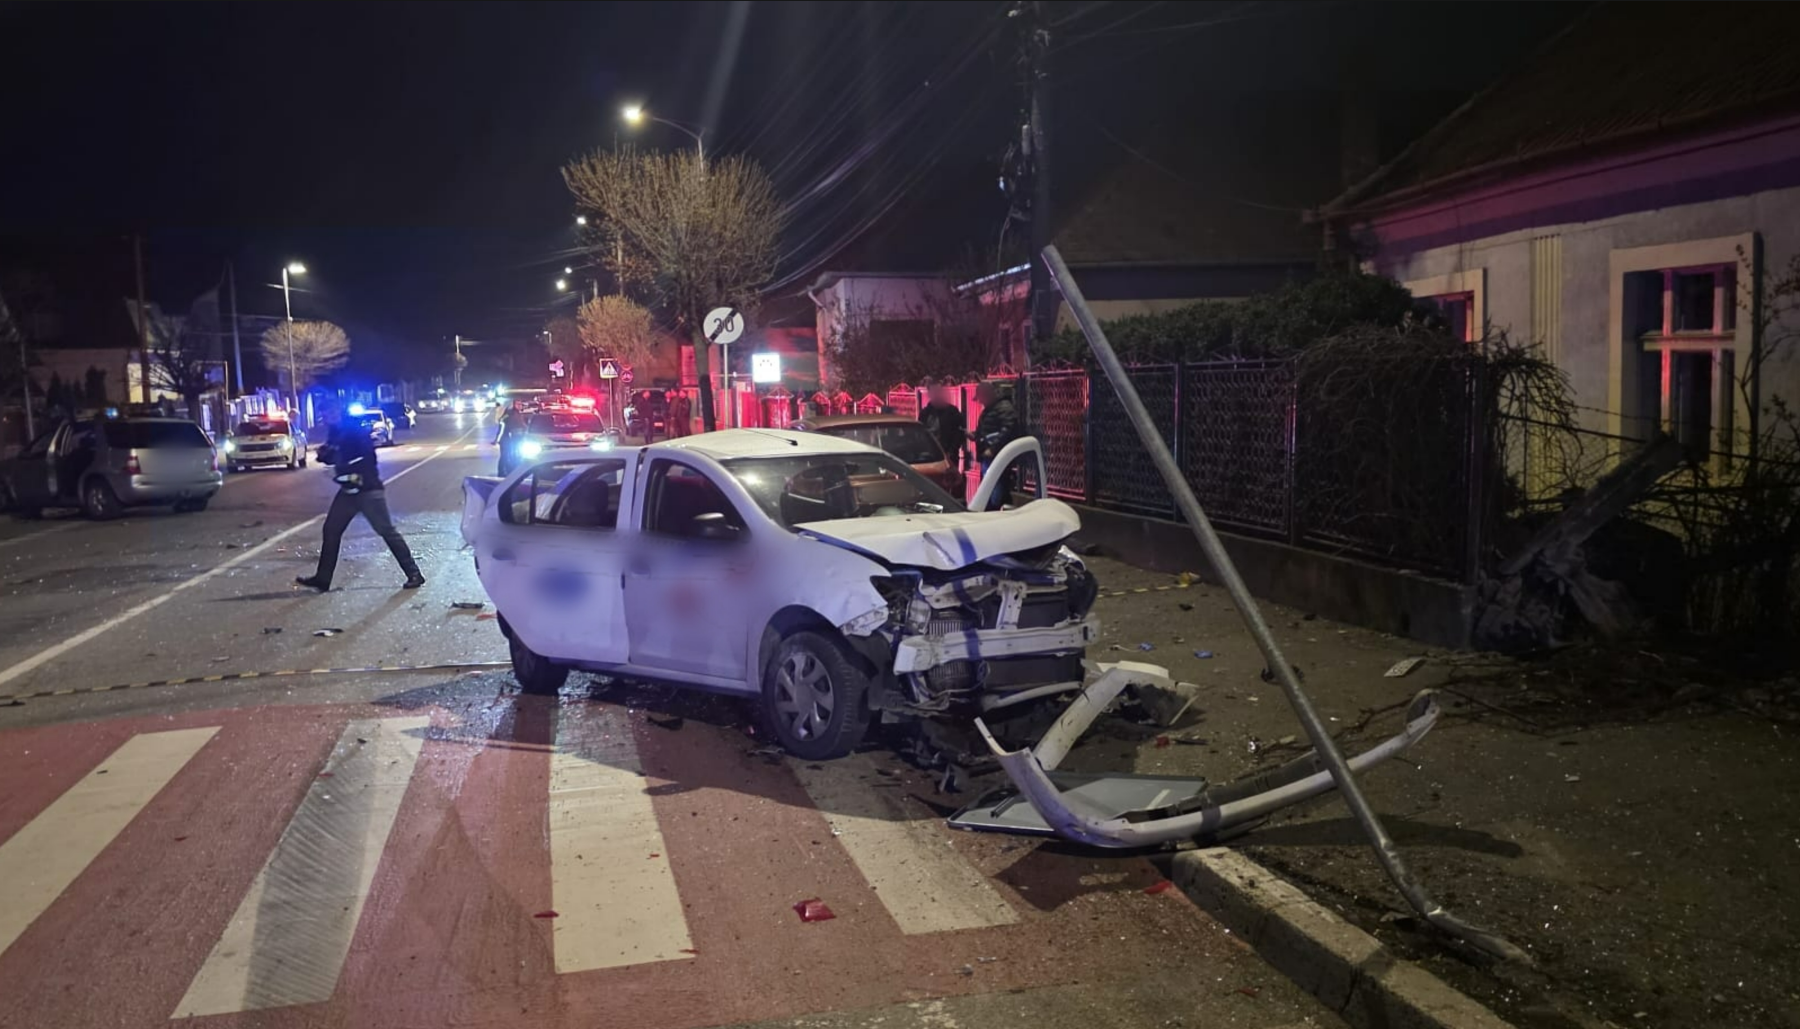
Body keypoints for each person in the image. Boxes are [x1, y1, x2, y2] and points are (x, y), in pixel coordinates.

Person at [295, 402, 425, 592]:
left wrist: (341, 466)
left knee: (387, 531)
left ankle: (414, 574)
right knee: (331, 530)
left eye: (331, 411)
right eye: (325, 412)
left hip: (367, 489)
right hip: (348, 490)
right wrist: (325, 455)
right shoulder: (335, 432)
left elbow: (366, 457)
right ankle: (323, 579)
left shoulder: (354, 431)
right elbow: (331, 455)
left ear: (339, 411)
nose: (328, 416)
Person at [973, 381, 1020, 510]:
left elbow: (1008, 430)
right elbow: (988, 429)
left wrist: (993, 448)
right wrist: (975, 436)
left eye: (981, 398)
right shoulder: (991, 409)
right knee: (990, 486)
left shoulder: (1003, 408)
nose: (981, 402)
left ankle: (996, 510)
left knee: (996, 487)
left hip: (997, 457)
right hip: (989, 456)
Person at [918, 384, 968, 472]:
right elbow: (920, 434)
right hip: (930, 456)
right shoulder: (925, 413)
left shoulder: (952, 412)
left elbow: (959, 432)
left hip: (949, 455)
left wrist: (951, 451)